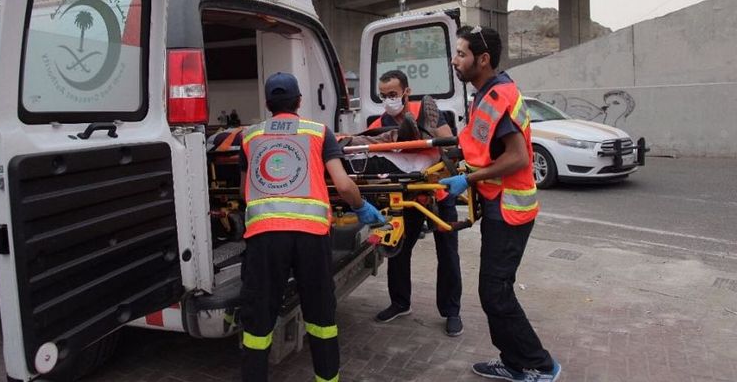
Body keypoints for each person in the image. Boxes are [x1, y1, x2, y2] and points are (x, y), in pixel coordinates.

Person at [238, 72, 382, 382]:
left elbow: (243, 191)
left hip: (264, 236)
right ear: (300, 101)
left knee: (258, 320)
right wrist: (361, 207)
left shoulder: (250, 136)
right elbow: (343, 184)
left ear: (267, 103)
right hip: (311, 237)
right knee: (320, 316)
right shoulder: (318, 132)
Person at [439, 27, 561, 381]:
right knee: (493, 290)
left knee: (495, 291)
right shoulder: (485, 95)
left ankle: (541, 365)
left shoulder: (498, 97)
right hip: (500, 206)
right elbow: (478, 148)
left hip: (511, 209)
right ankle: (512, 363)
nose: (455, 60)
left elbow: (519, 158)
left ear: (483, 59)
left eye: (461, 54)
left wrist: (468, 180)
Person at [370, 70, 464, 337]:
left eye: (393, 94)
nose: (389, 100)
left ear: (406, 92)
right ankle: (400, 302)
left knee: (447, 253)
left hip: (437, 192)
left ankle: (451, 311)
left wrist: (427, 131)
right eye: (384, 95)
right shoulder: (381, 123)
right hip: (406, 197)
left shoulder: (427, 112)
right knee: (398, 248)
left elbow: (451, 147)